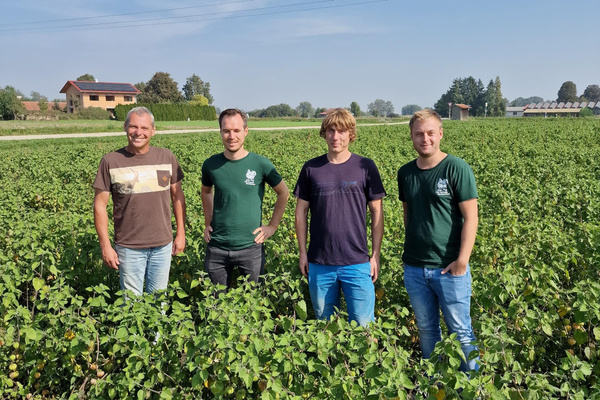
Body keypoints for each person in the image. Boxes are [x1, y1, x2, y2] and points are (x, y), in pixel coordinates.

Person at [397, 109, 479, 372]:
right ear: (411, 137)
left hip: (449, 268)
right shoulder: (406, 173)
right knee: (427, 329)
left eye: (430, 133)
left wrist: (462, 261)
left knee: (461, 330)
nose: (425, 139)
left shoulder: (456, 168)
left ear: (440, 134)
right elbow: (408, 214)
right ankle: (434, 383)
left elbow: (471, 218)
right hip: (415, 268)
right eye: (419, 134)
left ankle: (471, 385)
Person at [294, 108, 385, 327]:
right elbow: (300, 212)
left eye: (342, 131)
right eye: (331, 130)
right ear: (324, 133)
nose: (336, 136)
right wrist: (303, 253)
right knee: (325, 326)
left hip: (357, 261)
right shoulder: (311, 168)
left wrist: (375, 255)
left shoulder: (365, 166)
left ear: (351, 134)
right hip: (320, 262)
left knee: (364, 326)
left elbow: (377, 212)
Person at [93, 106, 186, 296]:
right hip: (129, 246)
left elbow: (178, 197)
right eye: (133, 127)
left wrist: (181, 234)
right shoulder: (111, 161)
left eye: (144, 128)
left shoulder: (166, 157)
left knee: (158, 300)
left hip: (162, 244)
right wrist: (105, 246)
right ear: (125, 128)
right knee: (130, 304)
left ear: (153, 130)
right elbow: (99, 206)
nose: (138, 132)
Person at [201, 108, 289, 289]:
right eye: (226, 131)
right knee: (215, 300)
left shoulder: (260, 163)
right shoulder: (211, 165)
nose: (231, 136)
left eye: (236, 130)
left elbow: (283, 192)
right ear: (220, 132)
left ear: (246, 131)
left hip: (251, 246)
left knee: (252, 299)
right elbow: (206, 192)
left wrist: (272, 227)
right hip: (217, 247)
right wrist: (207, 222)